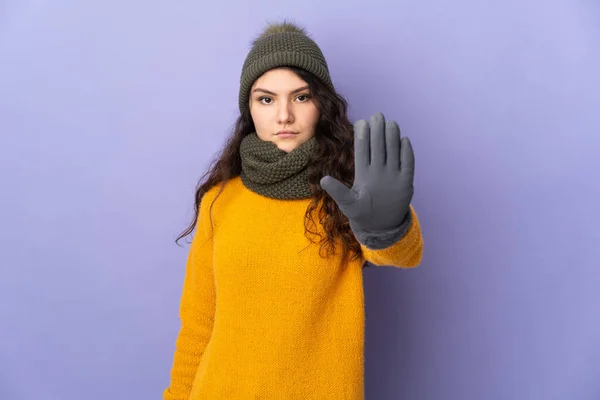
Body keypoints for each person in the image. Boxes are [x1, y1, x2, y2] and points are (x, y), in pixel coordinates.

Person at [163, 20, 424, 400]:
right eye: (266, 99)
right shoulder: (221, 200)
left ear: (322, 104)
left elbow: (402, 254)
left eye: (301, 97)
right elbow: (199, 325)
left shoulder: (349, 193)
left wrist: (387, 226)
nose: (283, 115)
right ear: (249, 108)